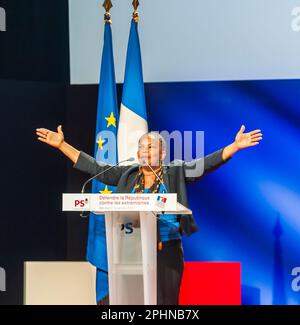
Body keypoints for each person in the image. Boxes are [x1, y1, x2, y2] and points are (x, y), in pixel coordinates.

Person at [36, 124, 263, 304]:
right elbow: (96, 168)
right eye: (141, 148)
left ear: (162, 153)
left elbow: (204, 165)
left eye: (151, 147)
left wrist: (234, 146)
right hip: (131, 252)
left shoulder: (174, 172)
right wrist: (62, 145)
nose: (145, 151)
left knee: (164, 305)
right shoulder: (128, 175)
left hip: (166, 252)